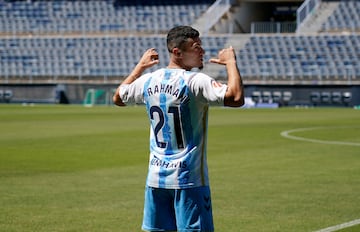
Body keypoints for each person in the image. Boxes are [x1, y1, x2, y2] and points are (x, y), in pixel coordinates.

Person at [113, 25, 244, 231]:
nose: (201, 50)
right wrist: (231, 63)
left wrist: (139, 67)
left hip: (156, 179)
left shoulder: (148, 80)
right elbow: (236, 97)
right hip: (189, 180)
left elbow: (118, 97)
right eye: (196, 47)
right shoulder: (195, 81)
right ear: (177, 52)